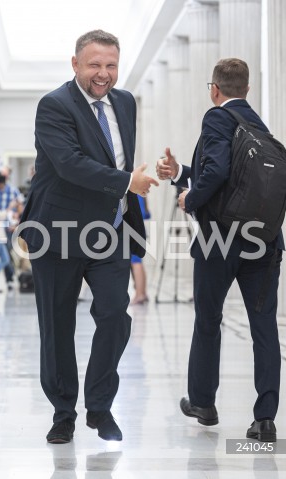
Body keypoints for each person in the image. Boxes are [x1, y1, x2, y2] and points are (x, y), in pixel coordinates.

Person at [19, 29, 158, 443]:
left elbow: (120, 157)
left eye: (111, 65)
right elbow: (68, 163)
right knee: (57, 326)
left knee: (115, 315)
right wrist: (125, 182)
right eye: (94, 64)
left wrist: (139, 179)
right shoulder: (54, 105)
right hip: (57, 231)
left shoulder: (126, 102)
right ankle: (64, 412)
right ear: (75, 64)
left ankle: (99, 406)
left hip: (109, 231)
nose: (103, 73)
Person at [156, 58, 283, 442]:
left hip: (219, 239)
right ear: (246, 89)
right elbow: (232, 175)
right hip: (263, 239)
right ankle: (265, 418)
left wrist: (189, 198)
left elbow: (217, 174)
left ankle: (204, 403)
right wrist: (180, 173)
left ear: (215, 89)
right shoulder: (258, 126)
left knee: (208, 319)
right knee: (264, 326)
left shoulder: (216, 118)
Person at [0, 166, 24, 290]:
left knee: (7, 252)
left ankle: (9, 278)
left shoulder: (13, 191)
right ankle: (3, 277)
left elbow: (21, 206)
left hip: (8, 228)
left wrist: (17, 221)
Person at [130, 195, 150, 305]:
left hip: (134, 229)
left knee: (135, 262)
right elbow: (147, 214)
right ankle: (142, 292)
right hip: (138, 229)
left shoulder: (135, 193)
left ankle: (139, 294)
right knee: (138, 262)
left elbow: (141, 213)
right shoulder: (141, 194)